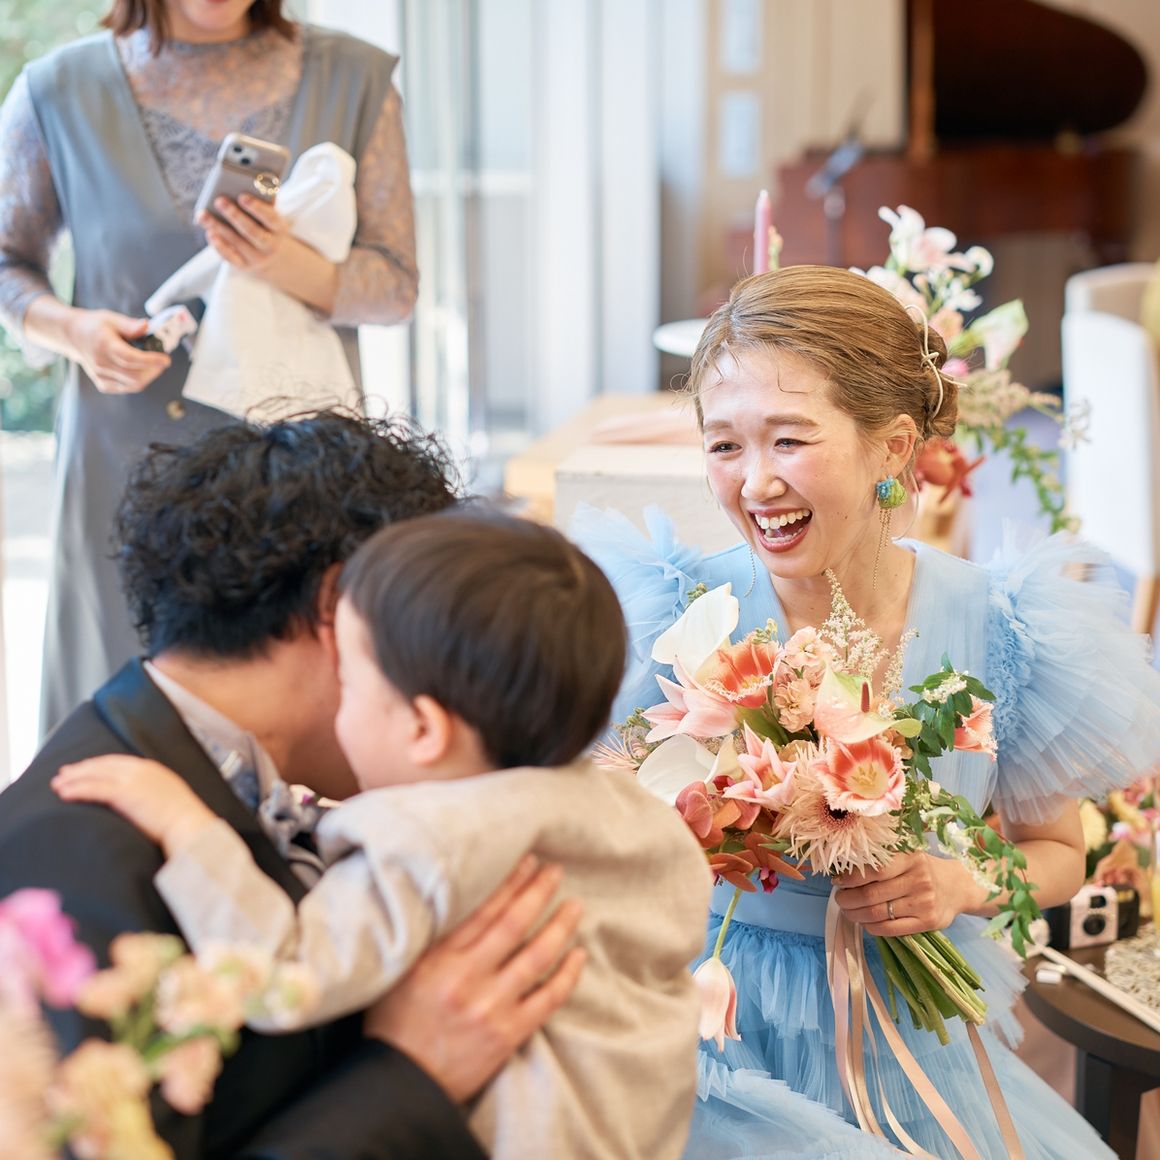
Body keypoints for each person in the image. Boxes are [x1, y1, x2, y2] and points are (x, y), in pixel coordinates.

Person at [576, 264, 1160, 1159]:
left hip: (909, 1045)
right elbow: (597, 832)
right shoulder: (674, 615)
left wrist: (957, 885)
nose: (756, 483)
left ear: (892, 448)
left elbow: (1057, 856)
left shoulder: (1003, 627)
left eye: (789, 441)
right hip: (713, 1036)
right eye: (724, 445)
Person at [0, 412, 585, 1159]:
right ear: (342, 609)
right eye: (444, 632)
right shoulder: (70, 854)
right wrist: (411, 1074)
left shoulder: (237, 780)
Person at [55, 509, 713, 1159]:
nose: (334, 708)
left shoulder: (429, 841)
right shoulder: (634, 818)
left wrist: (187, 827)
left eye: (348, 683)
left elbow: (281, 981)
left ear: (423, 729)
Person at [0, 0, 420, 734]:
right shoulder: (57, 89)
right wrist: (74, 331)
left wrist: (281, 260)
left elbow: (395, 286)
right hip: (123, 466)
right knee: (124, 721)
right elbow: (8, 261)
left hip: (300, 466)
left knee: (305, 712)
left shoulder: (355, 78)